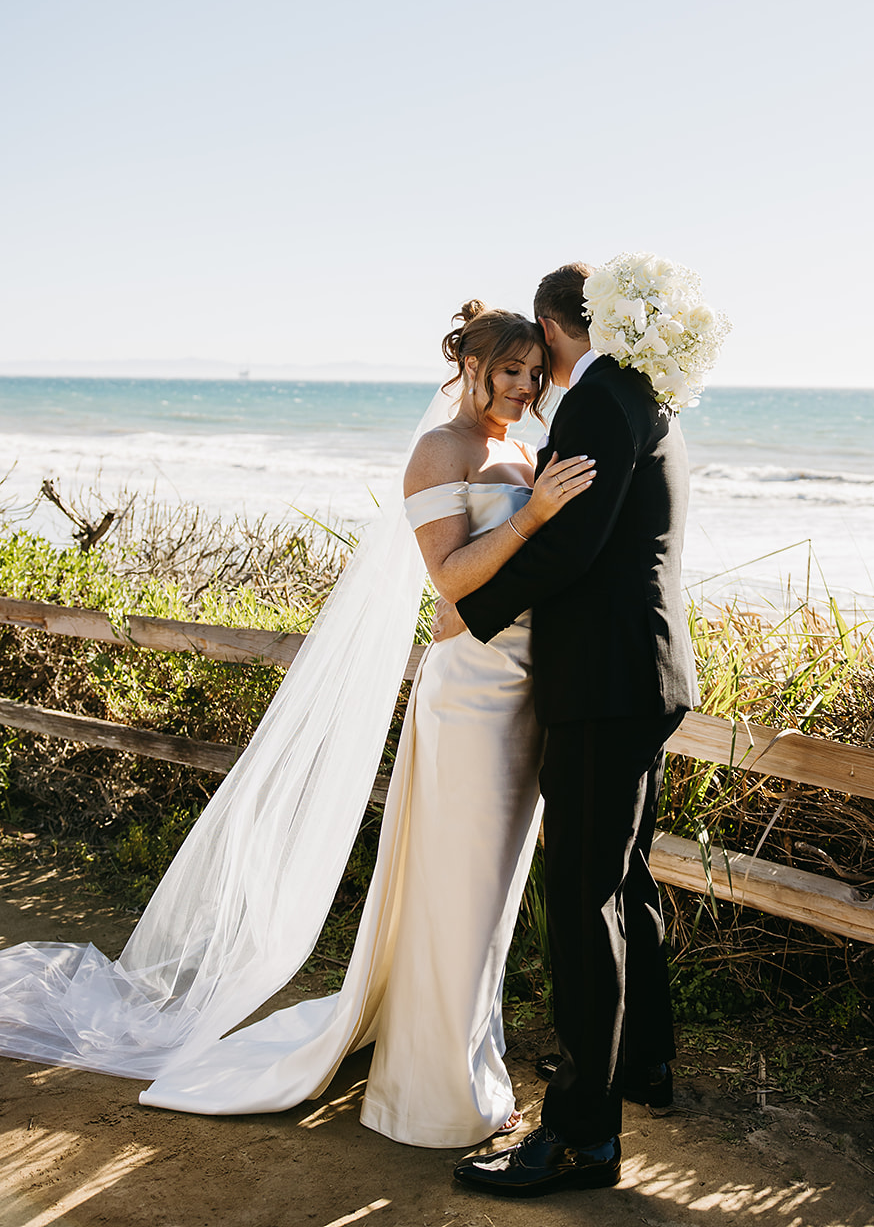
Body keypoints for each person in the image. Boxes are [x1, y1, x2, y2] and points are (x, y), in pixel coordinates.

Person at [0, 303, 593, 1152]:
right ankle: (437, 1090)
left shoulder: (522, 449)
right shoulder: (442, 452)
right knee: (459, 886)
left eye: (535, 373)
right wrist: (532, 515)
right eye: (509, 372)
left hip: (528, 685)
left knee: (489, 894)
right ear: (468, 367)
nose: (525, 387)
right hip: (469, 689)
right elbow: (453, 581)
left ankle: (460, 1046)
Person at [440, 263, 699, 1199]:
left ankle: (584, 1137)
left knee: (583, 899)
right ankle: (643, 1068)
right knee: (623, 879)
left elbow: (574, 543)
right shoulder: (641, 394)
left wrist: (469, 609)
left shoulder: (595, 402)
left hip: (602, 683)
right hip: (646, 671)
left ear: (549, 332)